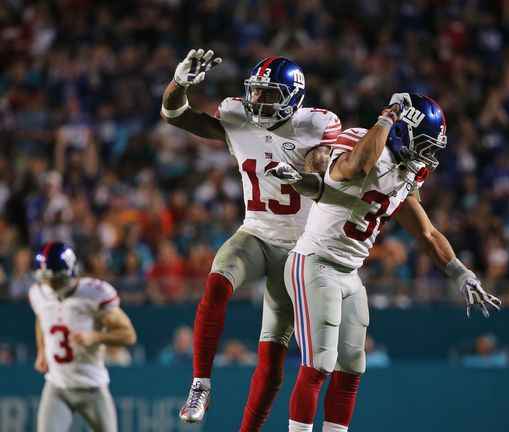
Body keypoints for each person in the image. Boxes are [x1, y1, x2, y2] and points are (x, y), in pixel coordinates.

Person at [268, 93, 501, 432]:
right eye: (423, 143)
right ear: (402, 131)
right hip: (314, 263)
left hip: (350, 271)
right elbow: (355, 167)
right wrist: (387, 117)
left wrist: (459, 271)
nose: (428, 155)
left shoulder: (406, 174)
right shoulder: (362, 144)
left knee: (352, 367)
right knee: (319, 364)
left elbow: (427, 232)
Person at [160, 49, 341, 430]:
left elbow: (327, 179)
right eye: (256, 92)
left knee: (272, 363)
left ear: (292, 98)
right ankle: (200, 383)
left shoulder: (316, 126)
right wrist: (179, 84)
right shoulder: (236, 116)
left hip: (300, 251)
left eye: (269, 94)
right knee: (216, 284)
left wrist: (305, 175)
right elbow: (174, 114)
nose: (257, 101)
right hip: (256, 232)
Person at [29, 242, 137, 432]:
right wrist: (42, 351)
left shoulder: (93, 294)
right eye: (46, 279)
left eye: (56, 279)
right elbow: (41, 319)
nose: (50, 285)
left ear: (72, 272)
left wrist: (96, 337)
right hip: (57, 386)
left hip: (92, 387)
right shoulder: (39, 293)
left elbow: (129, 335)